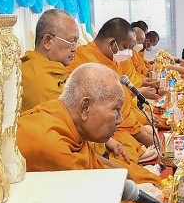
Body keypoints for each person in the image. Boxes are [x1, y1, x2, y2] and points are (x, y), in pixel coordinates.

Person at [16, 63, 184, 203]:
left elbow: (97, 169)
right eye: (116, 110)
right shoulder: (50, 141)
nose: (119, 119)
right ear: (85, 107)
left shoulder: (65, 118)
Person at [67, 17, 156, 160]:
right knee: (126, 159)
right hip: (102, 130)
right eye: (127, 48)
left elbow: (123, 101)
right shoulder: (83, 63)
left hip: (122, 121)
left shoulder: (112, 58)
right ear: (112, 43)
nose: (129, 53)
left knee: (149, 133)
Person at [20, 10, 79, 112]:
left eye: (75, 42)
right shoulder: (40, 81)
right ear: (48, 41)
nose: (74, 49)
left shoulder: (50, 69)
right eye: (71, 42)